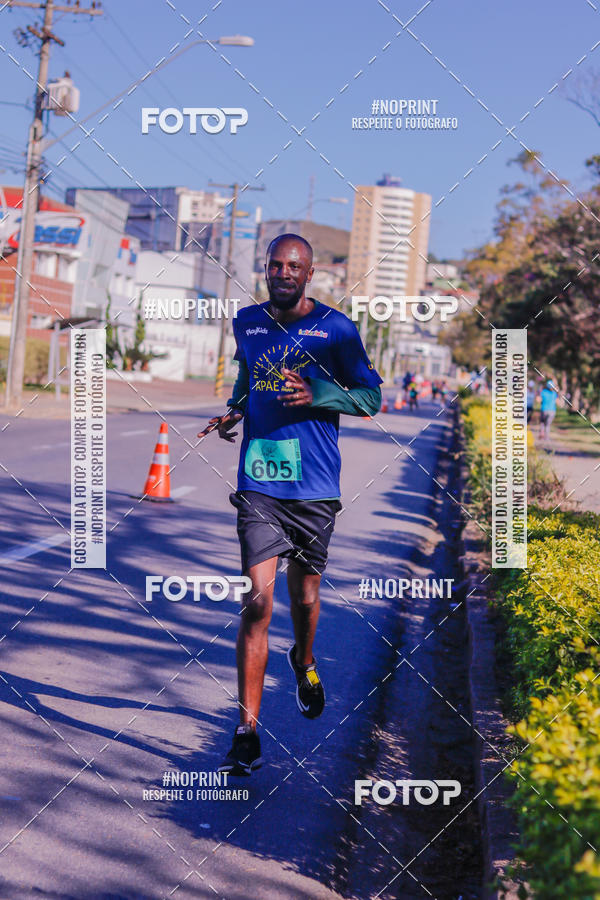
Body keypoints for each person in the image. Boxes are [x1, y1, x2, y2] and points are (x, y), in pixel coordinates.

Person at [199, 234, 382, 776]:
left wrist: (320, 394)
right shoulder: (247, 322)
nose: (282, 273)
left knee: (305, 594)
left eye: (293, 266)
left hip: (315, 488)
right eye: (275, 265)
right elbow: (246, 378)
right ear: (267, 269)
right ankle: (247, 730)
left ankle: (302, 659)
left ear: (309, 274)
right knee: (257, 602)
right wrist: (234, 410)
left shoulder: (336, 329)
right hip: (259, 482)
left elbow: (370, 398)